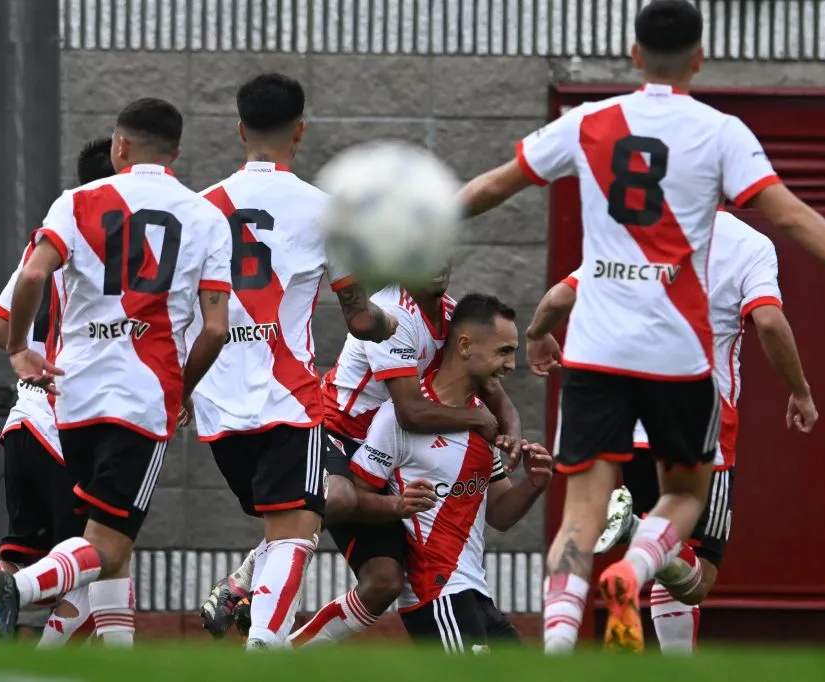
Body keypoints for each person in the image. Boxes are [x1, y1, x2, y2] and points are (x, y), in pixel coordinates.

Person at [457, 0, 825, 653]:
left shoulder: (587, 122)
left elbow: (493, 186)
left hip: (597, 351)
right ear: (699, 58)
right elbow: (794, 217)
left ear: (633, 55)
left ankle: (559, 653)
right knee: (683, 498)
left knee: (578, 516)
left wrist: (411, 229)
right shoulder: (720, 133)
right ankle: (635, 567)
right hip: (679, 356)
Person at [0, 98, 233, 646]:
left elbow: (32, 277)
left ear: (120, 145)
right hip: (142, 396)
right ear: (176, 153)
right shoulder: (206, 216)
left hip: (73, 397)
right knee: (110, 544)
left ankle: (113, 662)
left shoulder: (76, 202)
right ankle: (17, 588)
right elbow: (214, 329)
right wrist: (182, 391)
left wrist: (21, 348)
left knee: (110, 548)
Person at [529, 209, 817, 654]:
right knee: (696, 572)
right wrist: (800, 391)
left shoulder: (631, 230)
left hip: (614, 408)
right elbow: (769, 321)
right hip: (690, 414)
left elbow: (559, 298)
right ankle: (631, 549)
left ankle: (557, 651)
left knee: (580, 524)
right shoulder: (749, 244)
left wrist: (537, 333)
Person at [183, 73, 399, 649]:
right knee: (293, 529)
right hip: (288, 399)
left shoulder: (200, 208)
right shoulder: (327, 212)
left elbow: (182, 316)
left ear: (239, 129)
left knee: (285, 522)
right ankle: (269, 645)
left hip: (216, 406)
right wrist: (389, 321)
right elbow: (359, 318)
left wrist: (179, 390)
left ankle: (262, 631)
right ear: (300, 131)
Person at [201, 266, 524, 644]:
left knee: (383, 582)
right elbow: (410, 412)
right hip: (333, 431)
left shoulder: (453, 316)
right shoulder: (391, 311)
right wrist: (476, 419)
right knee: (337, 496)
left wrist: (513, 433)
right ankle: (256, 568)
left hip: (382, 448)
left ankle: (290, 651)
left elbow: (492, 389)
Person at [0, 137, 117, 648]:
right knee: (98, 556)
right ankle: (41, 660)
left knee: (21, 556)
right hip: (72, 426)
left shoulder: (52, 242)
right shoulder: (128, 253)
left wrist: (23, 349)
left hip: (24, 421)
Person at [346, 293, 552, 653]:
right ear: (466, 345)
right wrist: (397, 505)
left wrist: (535, 484)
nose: (512, 365)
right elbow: (353, 499)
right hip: (436, 595)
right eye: (504, 351)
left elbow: (500, 514)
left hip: (476, 592)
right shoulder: (396, 419)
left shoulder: (485, 424)